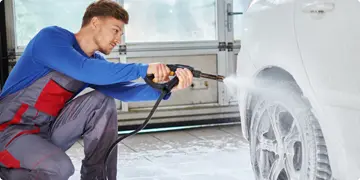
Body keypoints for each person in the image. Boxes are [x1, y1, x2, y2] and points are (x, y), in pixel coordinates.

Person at [0, 0, 193, 179]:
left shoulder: (95, 62)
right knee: (59, 168)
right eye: (115, 30)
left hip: (46, 130)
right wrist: (144, 68)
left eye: (121, 34)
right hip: (9, 130)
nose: (118, 39)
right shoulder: (51, 38)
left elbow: (125, 90)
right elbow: (84, 69)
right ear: (95, 23)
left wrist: (167, 88)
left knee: (103, 100)